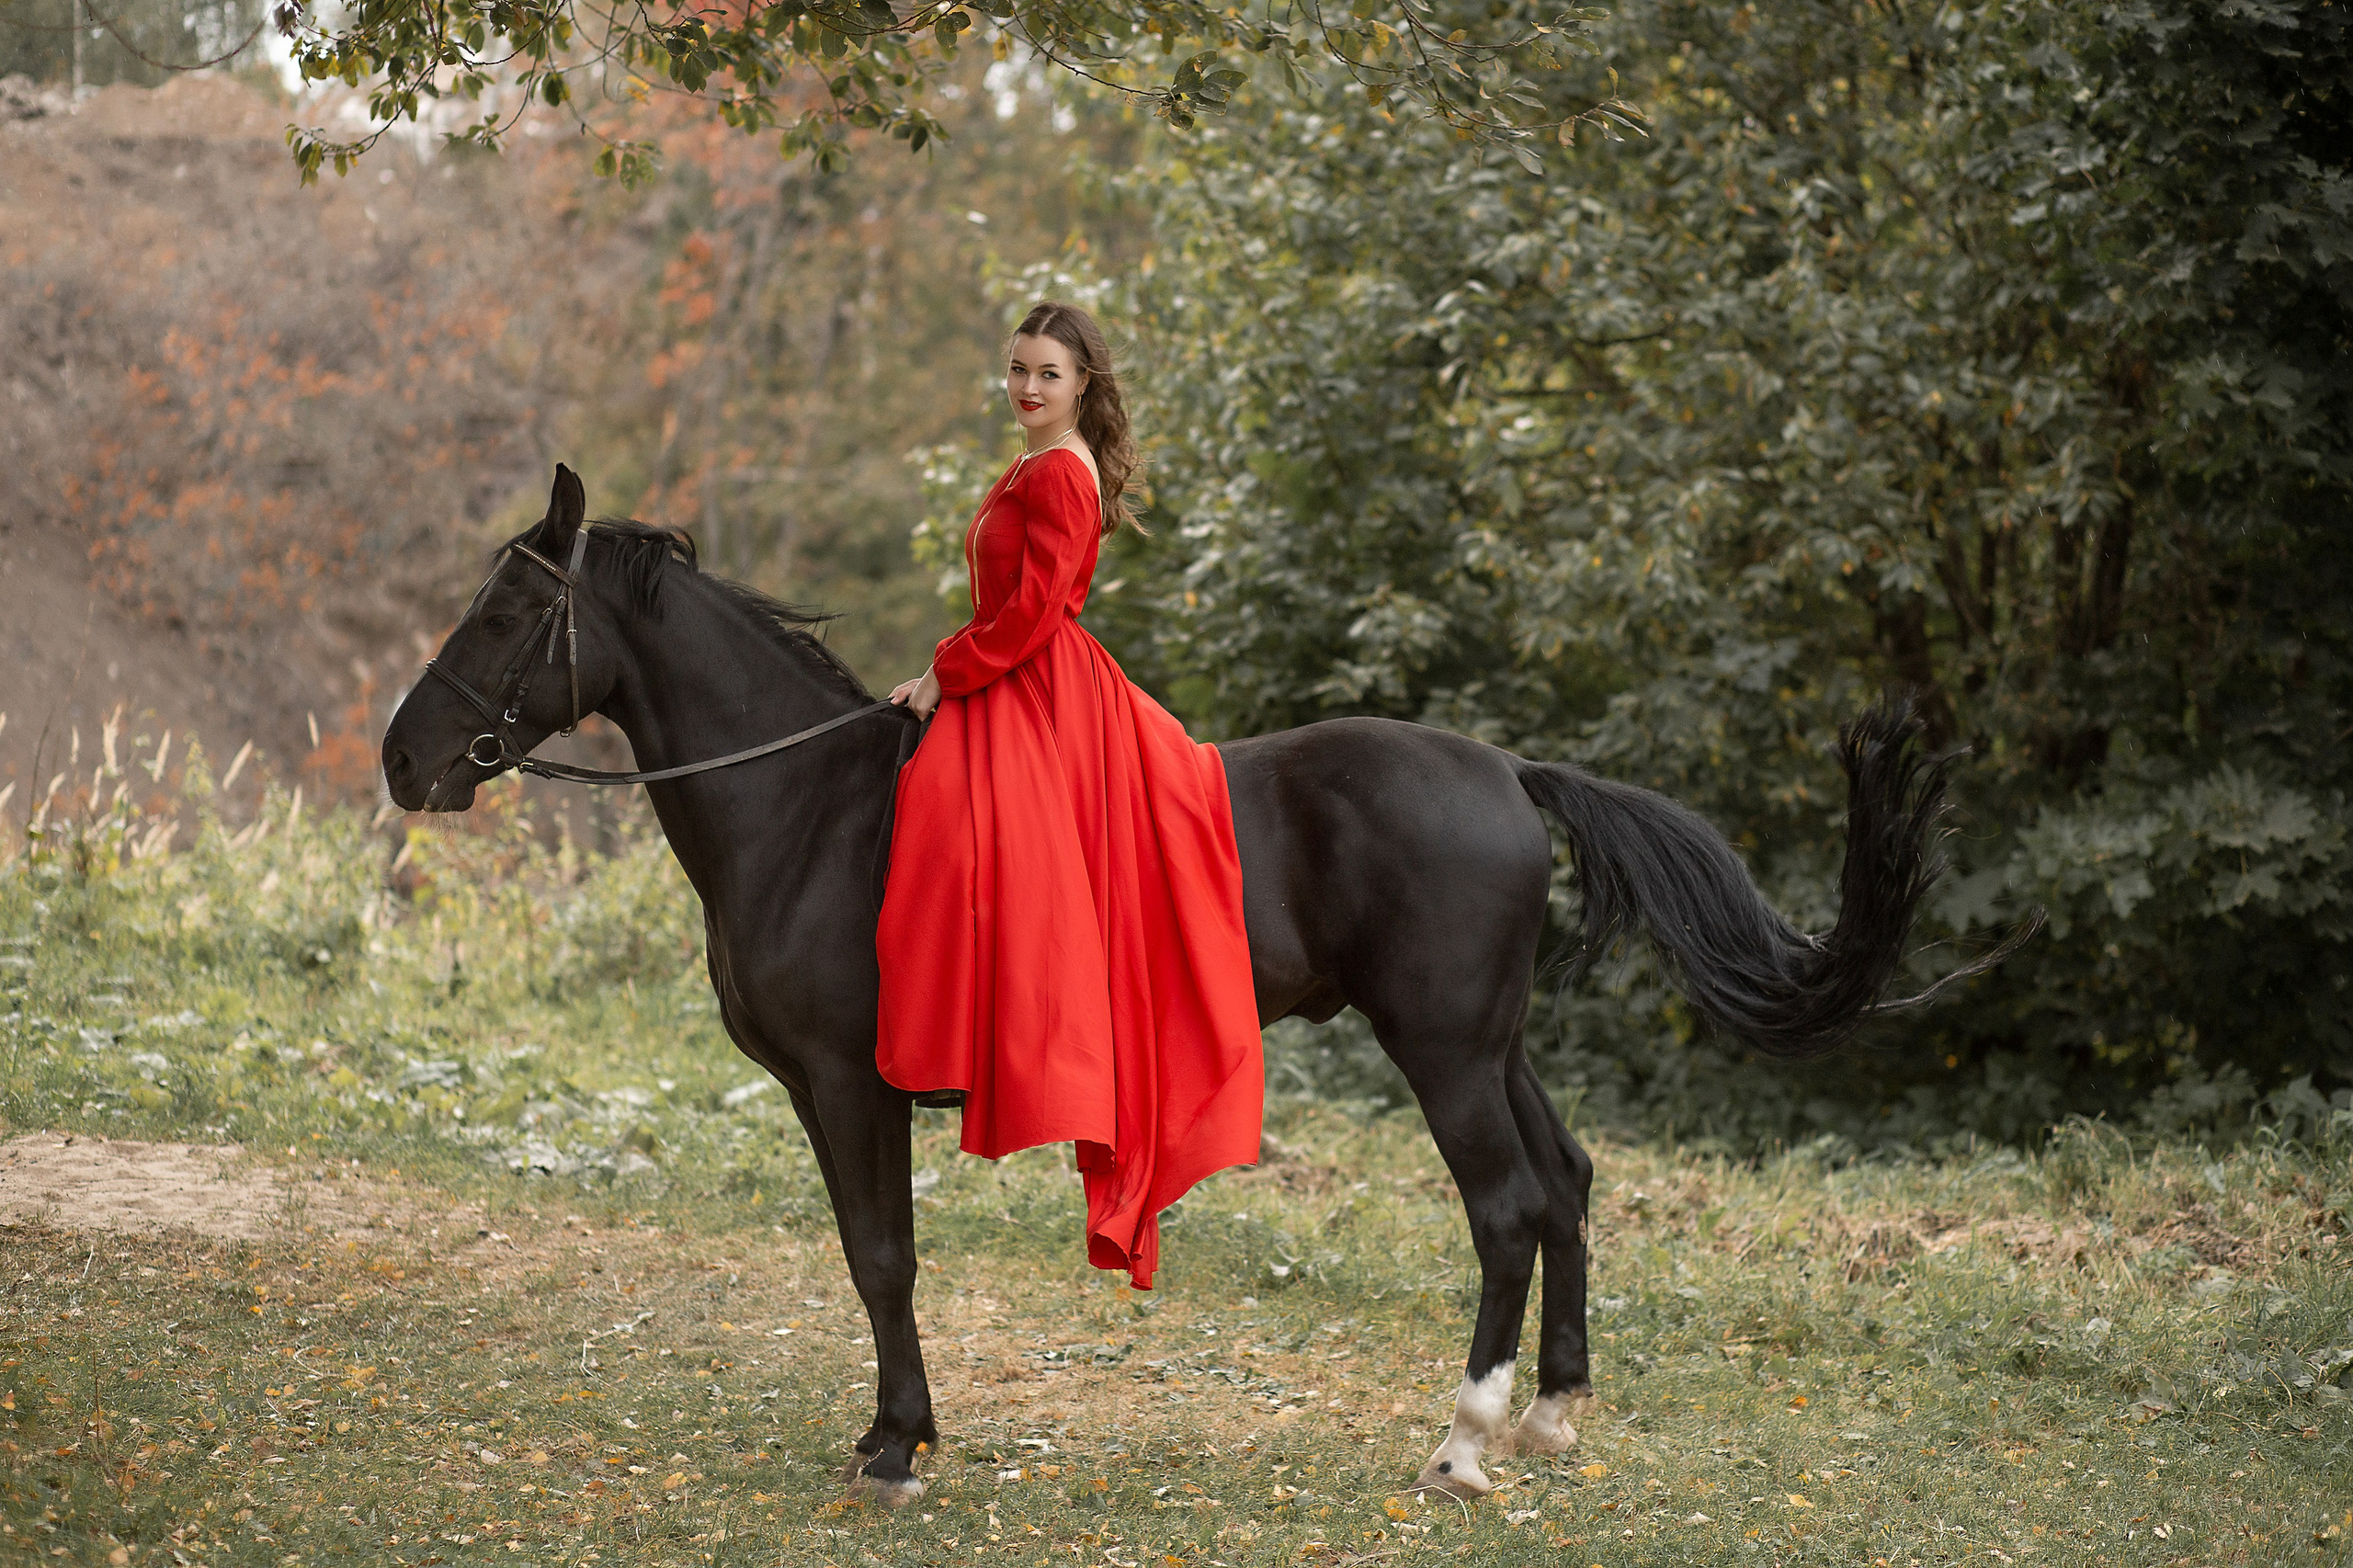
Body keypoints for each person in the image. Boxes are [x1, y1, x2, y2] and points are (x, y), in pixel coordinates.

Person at [876, 302, 1264, 1290]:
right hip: (1017, 669)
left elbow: (1031, 613)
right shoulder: (1032, 460)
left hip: (1036, 677)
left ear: (1083, 380)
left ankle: (986, 1042)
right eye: (1016, 369)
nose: (1027, 388)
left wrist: (941, 672)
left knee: (957, 831)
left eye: (1047, 373)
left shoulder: (1058, 469)